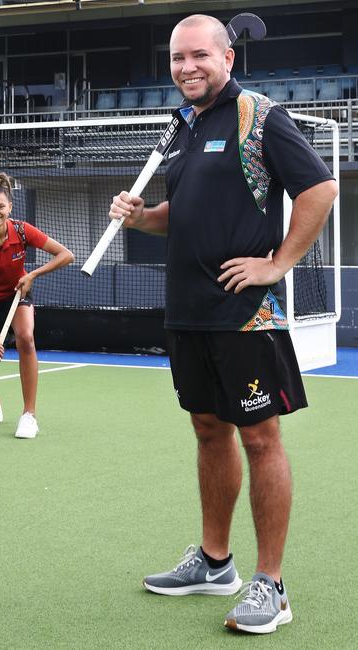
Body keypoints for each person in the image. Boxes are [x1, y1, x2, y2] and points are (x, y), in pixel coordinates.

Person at [109, 14, 337, 634]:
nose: (187, 67)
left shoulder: (259, 115)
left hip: (245, 312)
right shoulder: (183, 127)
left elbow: (319, 188)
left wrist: (278, 263)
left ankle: (272, 585)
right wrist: (139, 217)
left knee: (259, 439)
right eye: (178, 58)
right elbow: (178, 215)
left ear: (228, 59)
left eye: (199, 56)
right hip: (186, 310)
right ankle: (214, 564)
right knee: (209, 429)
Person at [0, 172, 74, 438]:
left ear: (10, 207)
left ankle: (29, 415)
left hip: (16, 293)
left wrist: (33, 275)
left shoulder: (23, 231)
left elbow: (66, 255)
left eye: (1, 206)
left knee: (26, 338)